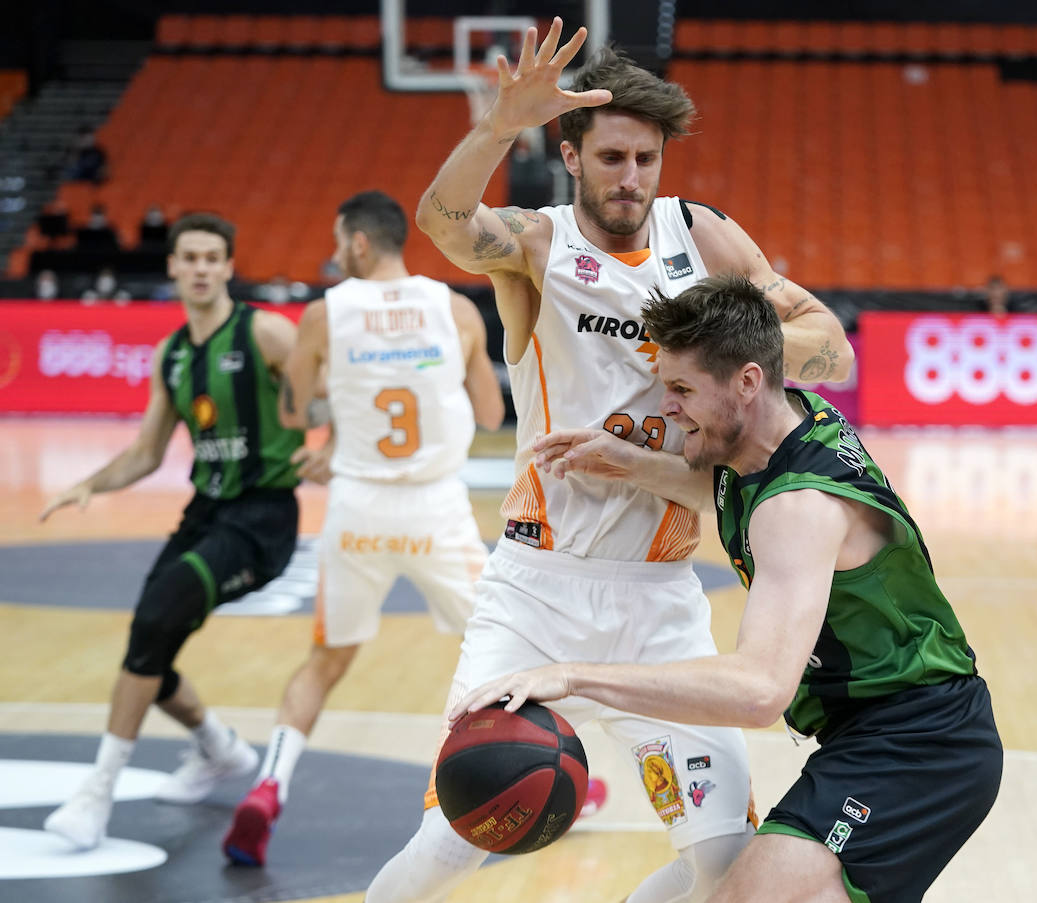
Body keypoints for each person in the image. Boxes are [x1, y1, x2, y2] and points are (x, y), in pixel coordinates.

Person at [368, 19, 853, 903]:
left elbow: (833, 350)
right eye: (612, 158)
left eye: (646, 159)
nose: (631, 177)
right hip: (534, 592)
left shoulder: (702, 239)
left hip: (661, 599)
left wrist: (709, 342)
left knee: (723, 861)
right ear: (571, 156)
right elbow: (443, 224)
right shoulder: (537, 244)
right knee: (452, 839)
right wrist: (495, 126)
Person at [458, 273, 1002, 903]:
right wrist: (627, 463)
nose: (667, 407)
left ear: (746, 381)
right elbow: (725, 491)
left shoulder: (798, 509)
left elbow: (759, 691)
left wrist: (571, 675)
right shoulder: (790, 423)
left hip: (921, 748)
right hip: (884, 736)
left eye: (683, 389)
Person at [221, 190, 505, 866]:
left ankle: (269, 785)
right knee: (501, 651)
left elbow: (294, 413)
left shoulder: (325, 314)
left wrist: (340, 409)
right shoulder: (457, 309)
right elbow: (492, 414)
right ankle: (520, 784)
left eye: (336, 240)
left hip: (358, 509)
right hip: (435, 507)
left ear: (356, 242)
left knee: (325, 661)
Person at [38, 213, 322, 851]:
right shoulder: (171, 354)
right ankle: (218, 747)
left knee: (155, 620)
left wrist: (331, 447)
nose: (199, 268)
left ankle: (96, 796)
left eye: (211, 258)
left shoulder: (266, 332)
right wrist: (89, 485)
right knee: (150, 639)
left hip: (263, 518)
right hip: (205, 512)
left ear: (227, 267)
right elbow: (146, 453)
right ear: (171, 266)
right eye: (188, 257)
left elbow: (329, 391)